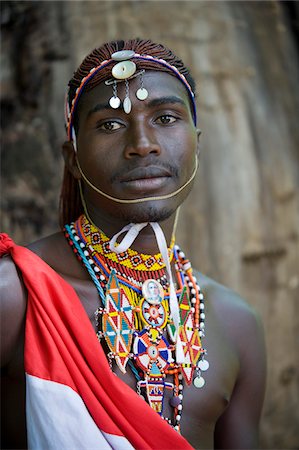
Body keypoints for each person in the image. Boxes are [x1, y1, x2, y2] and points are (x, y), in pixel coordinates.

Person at [0, 38, 266, 450]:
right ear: (72, 157)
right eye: (110, 124)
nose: (142, 144)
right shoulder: (17, 294)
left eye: (165, 117)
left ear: (198, 144)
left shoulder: (236, 323)